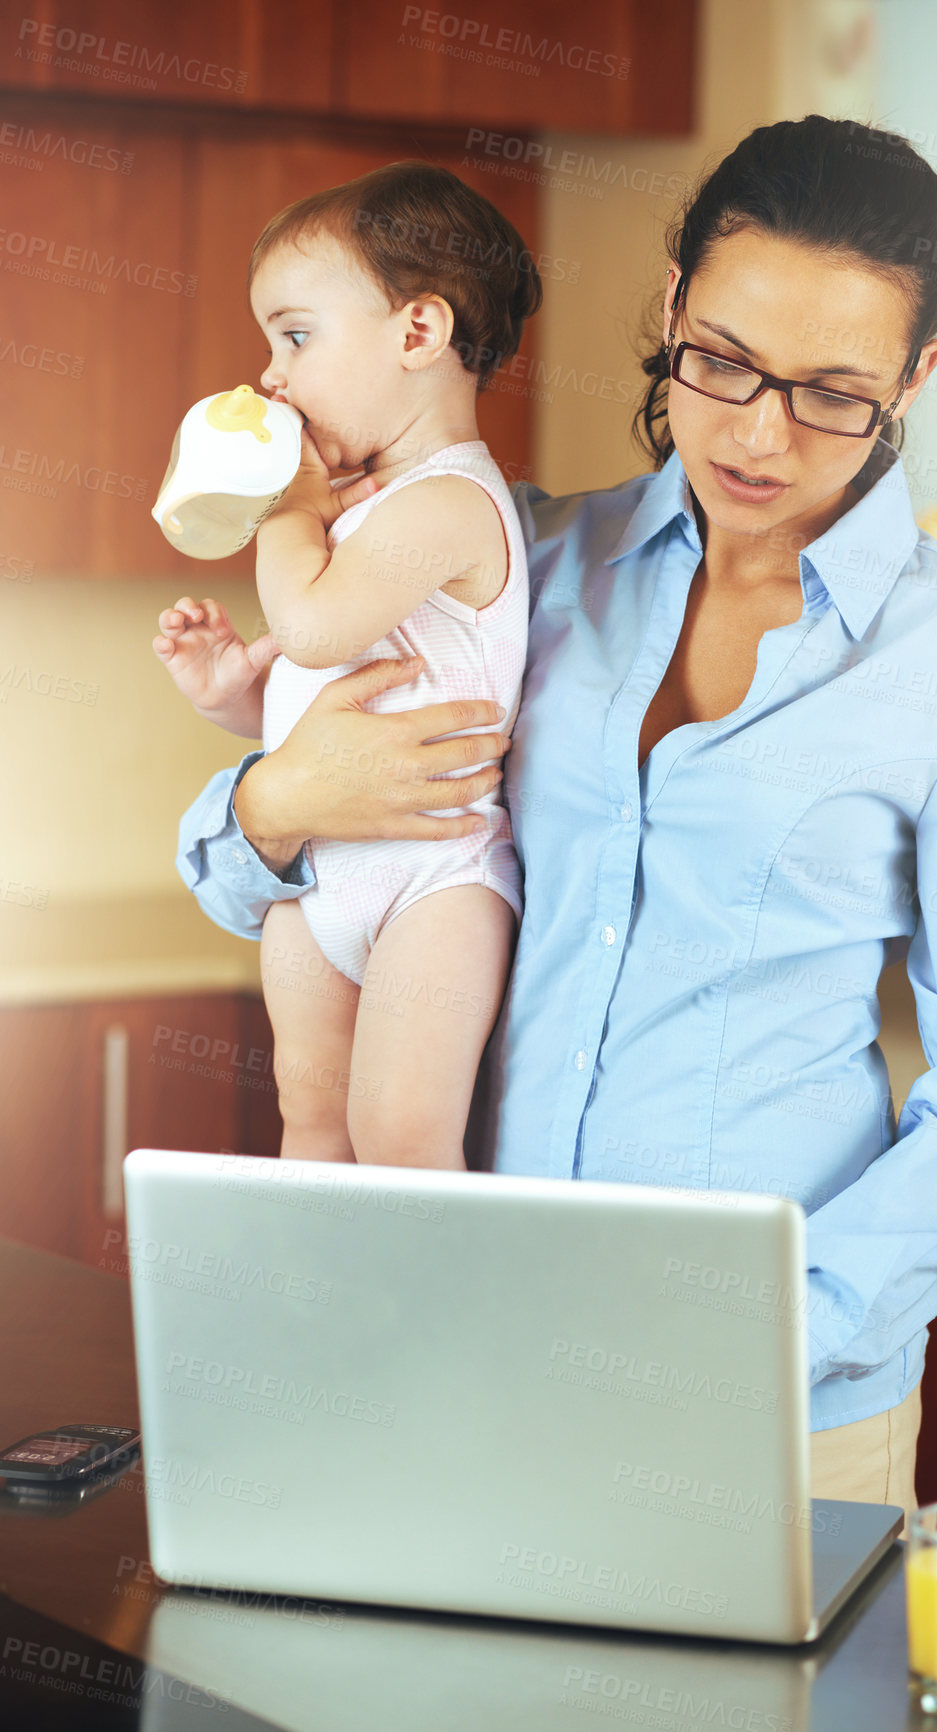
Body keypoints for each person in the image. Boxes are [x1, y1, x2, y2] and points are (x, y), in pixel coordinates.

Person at [173, 117, 937, 1516]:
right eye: (720, 361)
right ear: (667, 316)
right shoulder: (531, 559)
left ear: (916, 378)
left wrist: (769, 1343)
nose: (760, 434)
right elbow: (250, 865)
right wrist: (276, 801)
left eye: (833, 391)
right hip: (473, 1354)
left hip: (770, 1410)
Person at [155, 163, 541, 1170]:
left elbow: (320, 632)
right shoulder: (361, 511)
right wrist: (237, 695)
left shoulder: (449, 502)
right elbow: (328, 693)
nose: (270, 375)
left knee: (401, 1131)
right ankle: (316, 1321)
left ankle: (430, 1324)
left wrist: (286, 506)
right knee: (311, 1120)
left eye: (294, 334)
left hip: (434, 881)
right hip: (321, 873)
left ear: (418, 333)